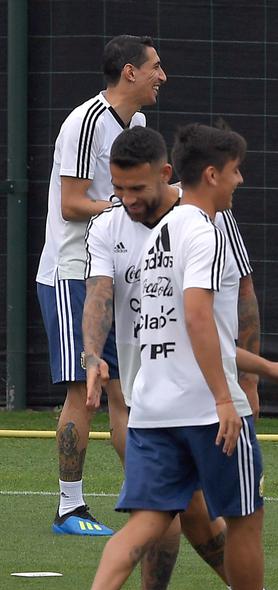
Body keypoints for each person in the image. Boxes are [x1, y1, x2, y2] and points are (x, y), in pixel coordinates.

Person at [64, 123, 278, 590]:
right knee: (245, 517)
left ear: (165, 175)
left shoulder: (159, 229)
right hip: (207, 408)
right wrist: (229, 399)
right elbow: (199, 318)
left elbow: (178, 324)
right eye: (234, 173)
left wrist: (262, 367)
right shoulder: (199, 229)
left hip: (150, 407)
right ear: (211, 175)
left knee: (146, 520)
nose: (126, 200)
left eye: (135, 189)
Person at [36, 35, 165, 536]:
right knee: (81, 388)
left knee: (122, 391)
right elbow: (71, 204)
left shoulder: (138, 125)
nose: (162, 76)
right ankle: (70, 507)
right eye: (155, 66)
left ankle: (150, 500)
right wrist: (125, 208)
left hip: (114, 271)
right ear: (129, 72)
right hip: (71, 272)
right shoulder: (86, 122)